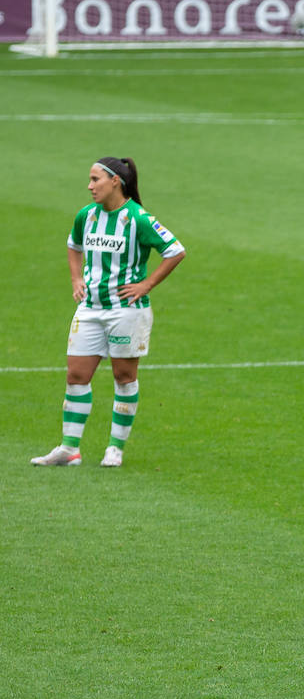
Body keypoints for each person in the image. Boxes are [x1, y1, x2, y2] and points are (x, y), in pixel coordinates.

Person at [31, 157, 186, 468]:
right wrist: (76, 278)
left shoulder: (139, 219)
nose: (90, 186)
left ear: (116, 181)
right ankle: (69, 449)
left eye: (95, 179)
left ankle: (115, 448)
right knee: (76, 375)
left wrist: (146, 285)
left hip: (126, 312)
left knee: (124, 376)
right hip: (89, 309)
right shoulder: (86, 216)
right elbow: (74, 245)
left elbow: (175, 250)